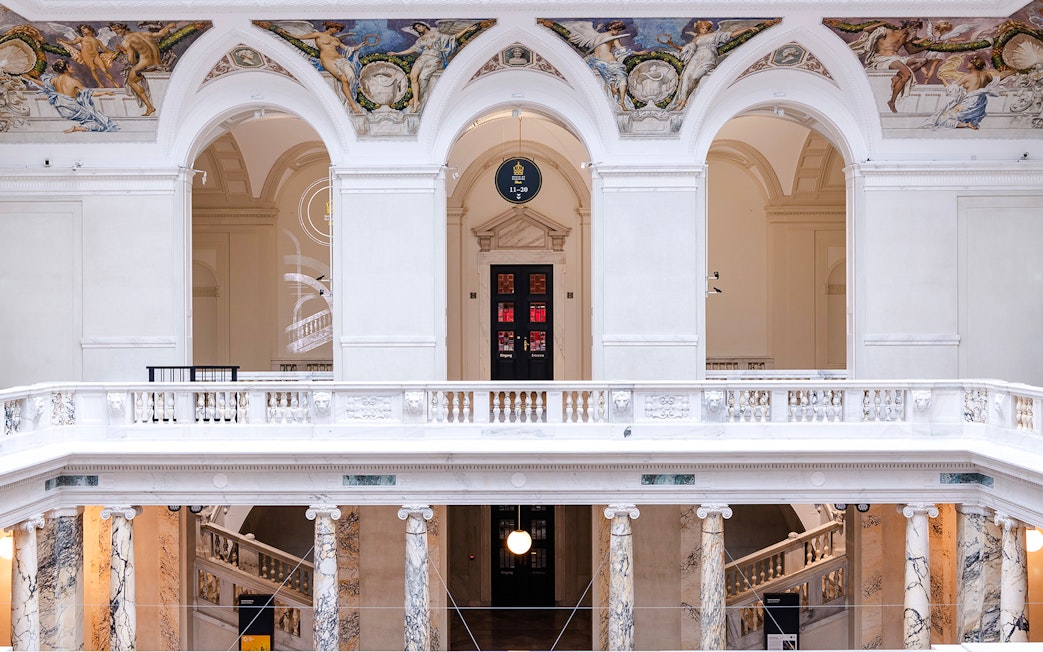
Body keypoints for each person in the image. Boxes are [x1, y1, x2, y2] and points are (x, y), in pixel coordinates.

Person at [391, 20, 489, 112]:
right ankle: (416, 99)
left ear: (424, 25)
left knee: (423, 77)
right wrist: (396, 53)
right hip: (422, 58)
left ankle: (416, 100)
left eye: (419, 26)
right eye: (416, 28)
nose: (418, 29)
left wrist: (467, 29)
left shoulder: (438, 35)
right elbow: (412, 49)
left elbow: (454, 37)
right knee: (413, 77)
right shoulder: (420, 39)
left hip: (434, 58)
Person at [282, 21, 377, 114]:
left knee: (351, 77)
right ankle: (352, 104)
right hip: (328, 60)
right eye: (336, 28)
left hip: (341, 60)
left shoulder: (336, 40)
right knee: (344, 79)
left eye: (338, 29)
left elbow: (347, 48)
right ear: (330, 27)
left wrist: (360, 45)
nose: (337, 31)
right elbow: (301, 37)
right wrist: (285, 33)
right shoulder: (318, 35)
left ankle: (348, 96)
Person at [661, 20, 754, 111]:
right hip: (696, 57)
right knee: (686, 76)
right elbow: (686, 49)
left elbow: (731, 35)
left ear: (709, 29)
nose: (704, 30)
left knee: (695, 77)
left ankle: (686, 99)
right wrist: (672, 44)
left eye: (706, 28)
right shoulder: (696, 39)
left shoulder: (714, 35)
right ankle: (682, 100)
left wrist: (747, 29)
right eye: (702, 28)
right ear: (699, 29)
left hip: (708, 57)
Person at [554, 20, 635, 110]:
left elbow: (596, 49)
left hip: (596, 61)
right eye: (618, 30)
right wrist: (635, 52)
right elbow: (621, 50)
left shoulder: (598, 36)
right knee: (622, 77)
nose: (618, 33)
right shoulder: (614, 38)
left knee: (605, 69)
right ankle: (622, 102)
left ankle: (612, 85)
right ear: (612, 28)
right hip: (609, 62)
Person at [848, 19, 927, 112]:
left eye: (917, 30)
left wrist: (928, 46)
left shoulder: (905, 38)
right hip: (882, 58)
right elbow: (866, 29)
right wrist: (883, 23)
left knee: (923, 60)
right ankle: (892, 101)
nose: (916, 33)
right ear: (908, 27)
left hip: (896, 58)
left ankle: (897, 76)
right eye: (915, 30)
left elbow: (911, 51)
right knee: (907, 75)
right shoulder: (887, 31)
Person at [108, 21, 178, 116]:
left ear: (122, 28)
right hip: (158, 63)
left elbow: (131, 60)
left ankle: (150, 107)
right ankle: (150, 106)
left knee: (130, 81)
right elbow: (161, 33)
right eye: (114, 31)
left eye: (116, 30)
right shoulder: (142, 34)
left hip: (145, 64)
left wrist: (124, 52)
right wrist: (169, 26)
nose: (116, 32)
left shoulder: (126, 41)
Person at [31, 58, 118, 132]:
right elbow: (90, 93)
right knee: (102, 124)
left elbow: (42, 83)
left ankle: (78, 128)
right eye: (69, 66)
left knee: (95, 118)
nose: (72, 67)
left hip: (62, 109)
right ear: (65, 70)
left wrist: (29, 78)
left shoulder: (54, 80)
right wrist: (105, 92)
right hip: (74, 109)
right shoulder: (74, 82)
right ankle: (77, 128)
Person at [926, 55, 1003, 129]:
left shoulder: (968, 77)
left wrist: (942, 79)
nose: (967, 64)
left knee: (940, 120)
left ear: (973, 65)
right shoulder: (987, 75)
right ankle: (967, 122)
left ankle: (966, 125)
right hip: (981, 102)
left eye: (969, 62)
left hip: (970, 102)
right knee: (957, 116)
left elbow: (952, 89)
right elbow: (996, 80)